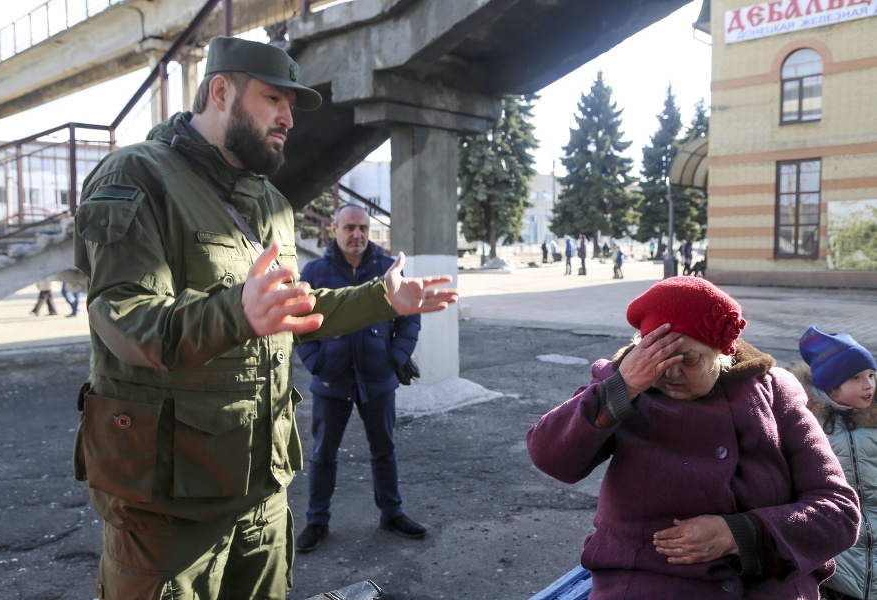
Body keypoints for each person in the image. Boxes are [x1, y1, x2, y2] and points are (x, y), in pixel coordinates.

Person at [71, 36, 458, 600]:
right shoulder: (136, 175)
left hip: (261, 488)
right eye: (274, 99)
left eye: (292, 107)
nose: (287, 119)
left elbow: (295, 306)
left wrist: (383, 300)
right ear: (221, 91)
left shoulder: (270, 202)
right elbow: (125, 317)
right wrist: (237, 312)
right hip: (169, 503)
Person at [526, 276, 860, 599]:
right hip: (646, 586)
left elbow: (839, 512)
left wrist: (739, 535)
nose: (670, 373)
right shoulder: (626, 387)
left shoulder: (773, 391)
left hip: (771, 586)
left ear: (723, 352)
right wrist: (622, 388)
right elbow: (551, 458)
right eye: (657, 357)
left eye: (688, 360)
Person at [294, 204, 425, 553]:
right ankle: (317, 521)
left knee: (384, 451)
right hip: (330, 382)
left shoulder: (386, 269)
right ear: (333, 229)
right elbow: (297, 327)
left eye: (363, 228)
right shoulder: (315, 271)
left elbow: (410, 318)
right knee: (323, 454)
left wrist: (394, 358)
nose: (357, 235)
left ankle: (392, 513)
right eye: (349, 227)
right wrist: (316, 363)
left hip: (377, 380)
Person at [792, 326, 877, 600]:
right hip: (836, 560)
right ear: (830, 385)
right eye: (856, 377)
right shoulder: (806, 423)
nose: (869, 385)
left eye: (872, 375)